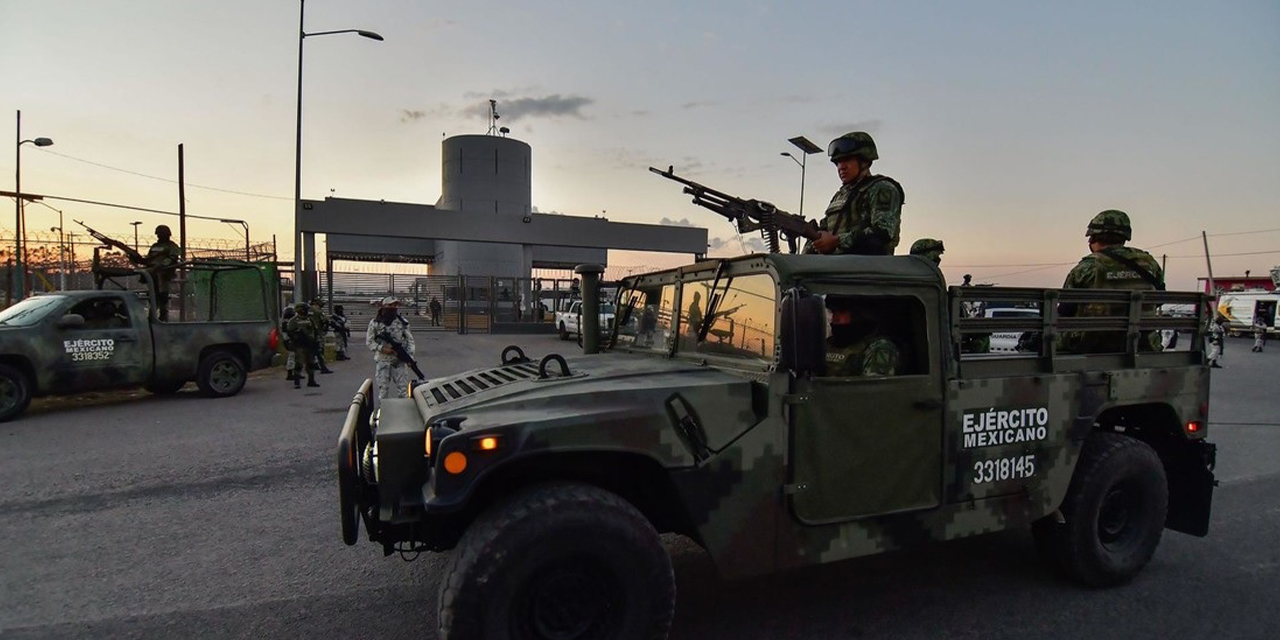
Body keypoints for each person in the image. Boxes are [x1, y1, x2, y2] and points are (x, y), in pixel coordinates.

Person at [1058, 210, 1164, 353]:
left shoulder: (1088, 267)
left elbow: (1064, 311)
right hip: (1142, 343)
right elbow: (1159, 298)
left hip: (1091, 345)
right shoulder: (1150, 263)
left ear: (1093, 238)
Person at [804, 131, 904, 256]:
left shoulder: (882, 188)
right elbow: (824, 230)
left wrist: (837, 241)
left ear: (864, 161)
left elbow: (882, 233)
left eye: (847, 160)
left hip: (867, 270)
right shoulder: (841, 195)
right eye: (838, 162)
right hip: (833, 268)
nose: (841, 167)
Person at [824, 295, 902, 377]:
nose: (834, 318)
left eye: (841, 312)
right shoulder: (828, 344)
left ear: (858, 315)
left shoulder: (879, 347)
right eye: (834, 312)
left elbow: (874, 387)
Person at [366, 296, 416, 400]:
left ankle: (404, 414)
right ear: (384, 306)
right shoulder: (375, 323)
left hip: (399, 361)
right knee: (383, 392)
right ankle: (383, 414)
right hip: (382, 361)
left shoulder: (403, 322)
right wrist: (382, 348)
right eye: (390, 305)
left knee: (403, 391)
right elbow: (370, 342)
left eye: (395, 305)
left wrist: (409, 357)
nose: (394, 307)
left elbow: (410, 340)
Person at [131, 225, 182, 321]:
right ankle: (152, 316)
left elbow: (173, 258)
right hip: (152, 273)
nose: (159, 236)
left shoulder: (172, 246)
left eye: (161, 234)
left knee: (163, 295)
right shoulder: (155, 246)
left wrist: (161, 265)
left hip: (163, 274)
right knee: (153, 296)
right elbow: (149, 259)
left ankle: (163, 316)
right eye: (158, 234)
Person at [285, 302, 320, 389]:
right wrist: (297, 336)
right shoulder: (293, 320)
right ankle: (297, 382)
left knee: (311, 363)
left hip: (310, 344)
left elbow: (315, 330)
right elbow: (289, 332)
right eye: (305, 309)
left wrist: (316, 341)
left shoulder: (310, 319)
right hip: (299, 345)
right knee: (299, 363)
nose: (307, 311)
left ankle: (311, 380)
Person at [309, 298, 334, 374]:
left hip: (309, 334)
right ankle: (322, 367)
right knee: (319, 350)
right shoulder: (318, 312)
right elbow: (324, 320)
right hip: (318, 334)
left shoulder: (308, 311)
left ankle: (314, 365)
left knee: (312, 352)